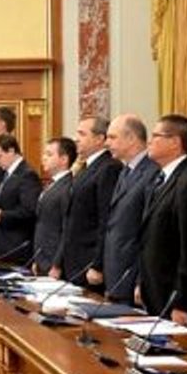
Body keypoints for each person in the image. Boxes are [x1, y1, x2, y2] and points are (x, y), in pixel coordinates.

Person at [136, 115, 187, 325]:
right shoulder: (159, 178)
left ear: (175, 142)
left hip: (175, 296)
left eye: (156, 136)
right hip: (155, 290)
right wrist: (142, 283)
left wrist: (183, 301)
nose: (149, 141)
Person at [52, 117, 121, 287]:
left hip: (88, 262)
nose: (76, 139)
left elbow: (105, 219)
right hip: (73, 261)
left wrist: (97, 265)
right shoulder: (86, 168)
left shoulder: (109, 168)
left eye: (82, 134)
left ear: (99, 139)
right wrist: (59, 262)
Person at [102, 115, 159, 302]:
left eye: (112, 137)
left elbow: (148, 233)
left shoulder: (152, 172)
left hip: (132, 274)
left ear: (132, 138)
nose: (107, 143)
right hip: (116, 272)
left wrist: (140, 280)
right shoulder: (125, 171)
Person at [0, 134, 42, 264]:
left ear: (11, 151)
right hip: (3, 243)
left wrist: (0, 215)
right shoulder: (5, 174)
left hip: (17, 245)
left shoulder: (27, 175)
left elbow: (29, 210)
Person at [34, 137, 75, 275]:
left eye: (49, 154)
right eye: (44, 154)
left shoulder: (68, 187)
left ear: (64, 159)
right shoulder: (52, 184)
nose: (43, 158)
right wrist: (37, 259)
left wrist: (57, 264)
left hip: (54, 262)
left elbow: (66, 230)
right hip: (42, 258)